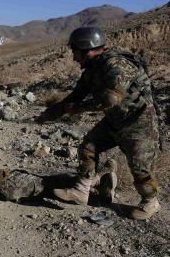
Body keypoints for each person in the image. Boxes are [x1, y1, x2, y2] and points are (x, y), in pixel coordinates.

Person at [36, 27, 161, 220]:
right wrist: (49, 114)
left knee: (140, 168)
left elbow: (110, 99)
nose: (74, 57)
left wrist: (79, 108)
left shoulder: (118, 65)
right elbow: (75, 96)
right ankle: (81, 191)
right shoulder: (93, 69)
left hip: (139, 124)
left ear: (86, 49)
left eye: (75, 52)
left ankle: (151, 201)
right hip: (115, 120)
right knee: (88, 147)